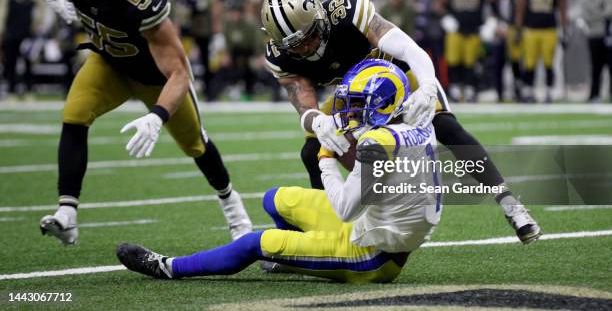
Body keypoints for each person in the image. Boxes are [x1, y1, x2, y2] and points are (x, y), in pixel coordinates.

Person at [261, 0, 540, 244]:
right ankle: (327, 233)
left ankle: (510, 205)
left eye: (309, 36)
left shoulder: (347, 12)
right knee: (312, 151)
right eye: (295, 45)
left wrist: (429, 85)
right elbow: (302, 102)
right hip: (353, 94)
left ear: (320, 17)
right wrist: (317, 122)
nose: (307, 47)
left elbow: (408, 48)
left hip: (399, 78)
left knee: (447, 128)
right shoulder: (278, 56)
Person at [117, 59, 441, 282]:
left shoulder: (379, 143)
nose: (349, 110)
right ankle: (290, 259)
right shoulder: (419, 123)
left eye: (358, 103)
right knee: (275, 199)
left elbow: (344, 208)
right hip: (374, 223)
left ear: (384, 105)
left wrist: (326, 156)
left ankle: (168, 267)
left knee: (253, 243)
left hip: (373, 255)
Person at [39, 0, 252, 245]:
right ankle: (67, 213)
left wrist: (157, 116)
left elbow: (179, 72)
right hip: (109, 63)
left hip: (155, 78)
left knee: (194, 143)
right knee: (74, 115)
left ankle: (234, 209)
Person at [437, 0, 495, 102]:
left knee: (471, 61)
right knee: (453, 60)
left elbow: (491, 4)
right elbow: (440, 4)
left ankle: (469, 88)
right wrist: (446, 17)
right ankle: (455, 87)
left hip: (474, 29)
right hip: (456, 28)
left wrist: (489, 22)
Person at [514, 0, 568, 103]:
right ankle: (529, 91)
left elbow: (563, 10)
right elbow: (521, 9)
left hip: (549, 29)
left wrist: (565, 30)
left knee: (548, 63)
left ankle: (549, 91)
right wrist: (518, 30)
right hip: (531, 29)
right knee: (529, 63)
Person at [577, 0, 612, 102]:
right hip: (594, 35)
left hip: (608, 36)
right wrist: (601, 14)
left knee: (611, 66)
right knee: (596, 68)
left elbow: (609, 11)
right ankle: (594, 94)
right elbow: (586, 15)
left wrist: (598, 14)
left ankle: (610, 93)